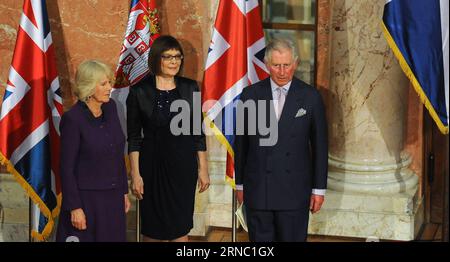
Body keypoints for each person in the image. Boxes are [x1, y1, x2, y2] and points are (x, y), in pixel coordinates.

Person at [234, 38, 328, 242]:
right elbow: (241, 145)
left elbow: (320, 147)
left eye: (287, 65)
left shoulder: (311, 97)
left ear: (295, 64)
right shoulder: (250, 95)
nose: (282, 71)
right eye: (277, 65)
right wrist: (240, 185)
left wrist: (319, 189)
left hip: (294, 191)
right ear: (267, 65)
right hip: (259, 189)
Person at [127, 35, 209, 242]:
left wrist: (203, 169)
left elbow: (197, 132)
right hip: (152, 168)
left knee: (180, 228)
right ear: (156, 59)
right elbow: (134, 138)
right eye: (168, 57)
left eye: (178, 57)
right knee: (153, 230)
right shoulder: (139, 91)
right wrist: (135, 175)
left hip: (183, 168)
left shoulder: (191, 88)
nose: (174, 61)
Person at [56, 60, 130, 242]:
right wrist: (74, 207)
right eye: (103, 84)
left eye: (109, 83)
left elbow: (117, 153)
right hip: (86, 202)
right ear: (88, 87)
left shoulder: (111, 108)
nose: (109, 88)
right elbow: (66, 168)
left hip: (113, 199)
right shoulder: (73, 119)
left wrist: (123, 191)